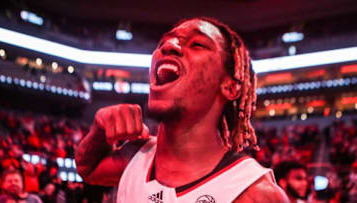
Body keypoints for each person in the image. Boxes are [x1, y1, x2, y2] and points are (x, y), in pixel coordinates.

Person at [76, 17, 288, 202]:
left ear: (230, 87)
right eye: (163, 42)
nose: (169, 46)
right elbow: (88, 168)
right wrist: (99, 133)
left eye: (196, 44)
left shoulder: (255, 193)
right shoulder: (135, 156)